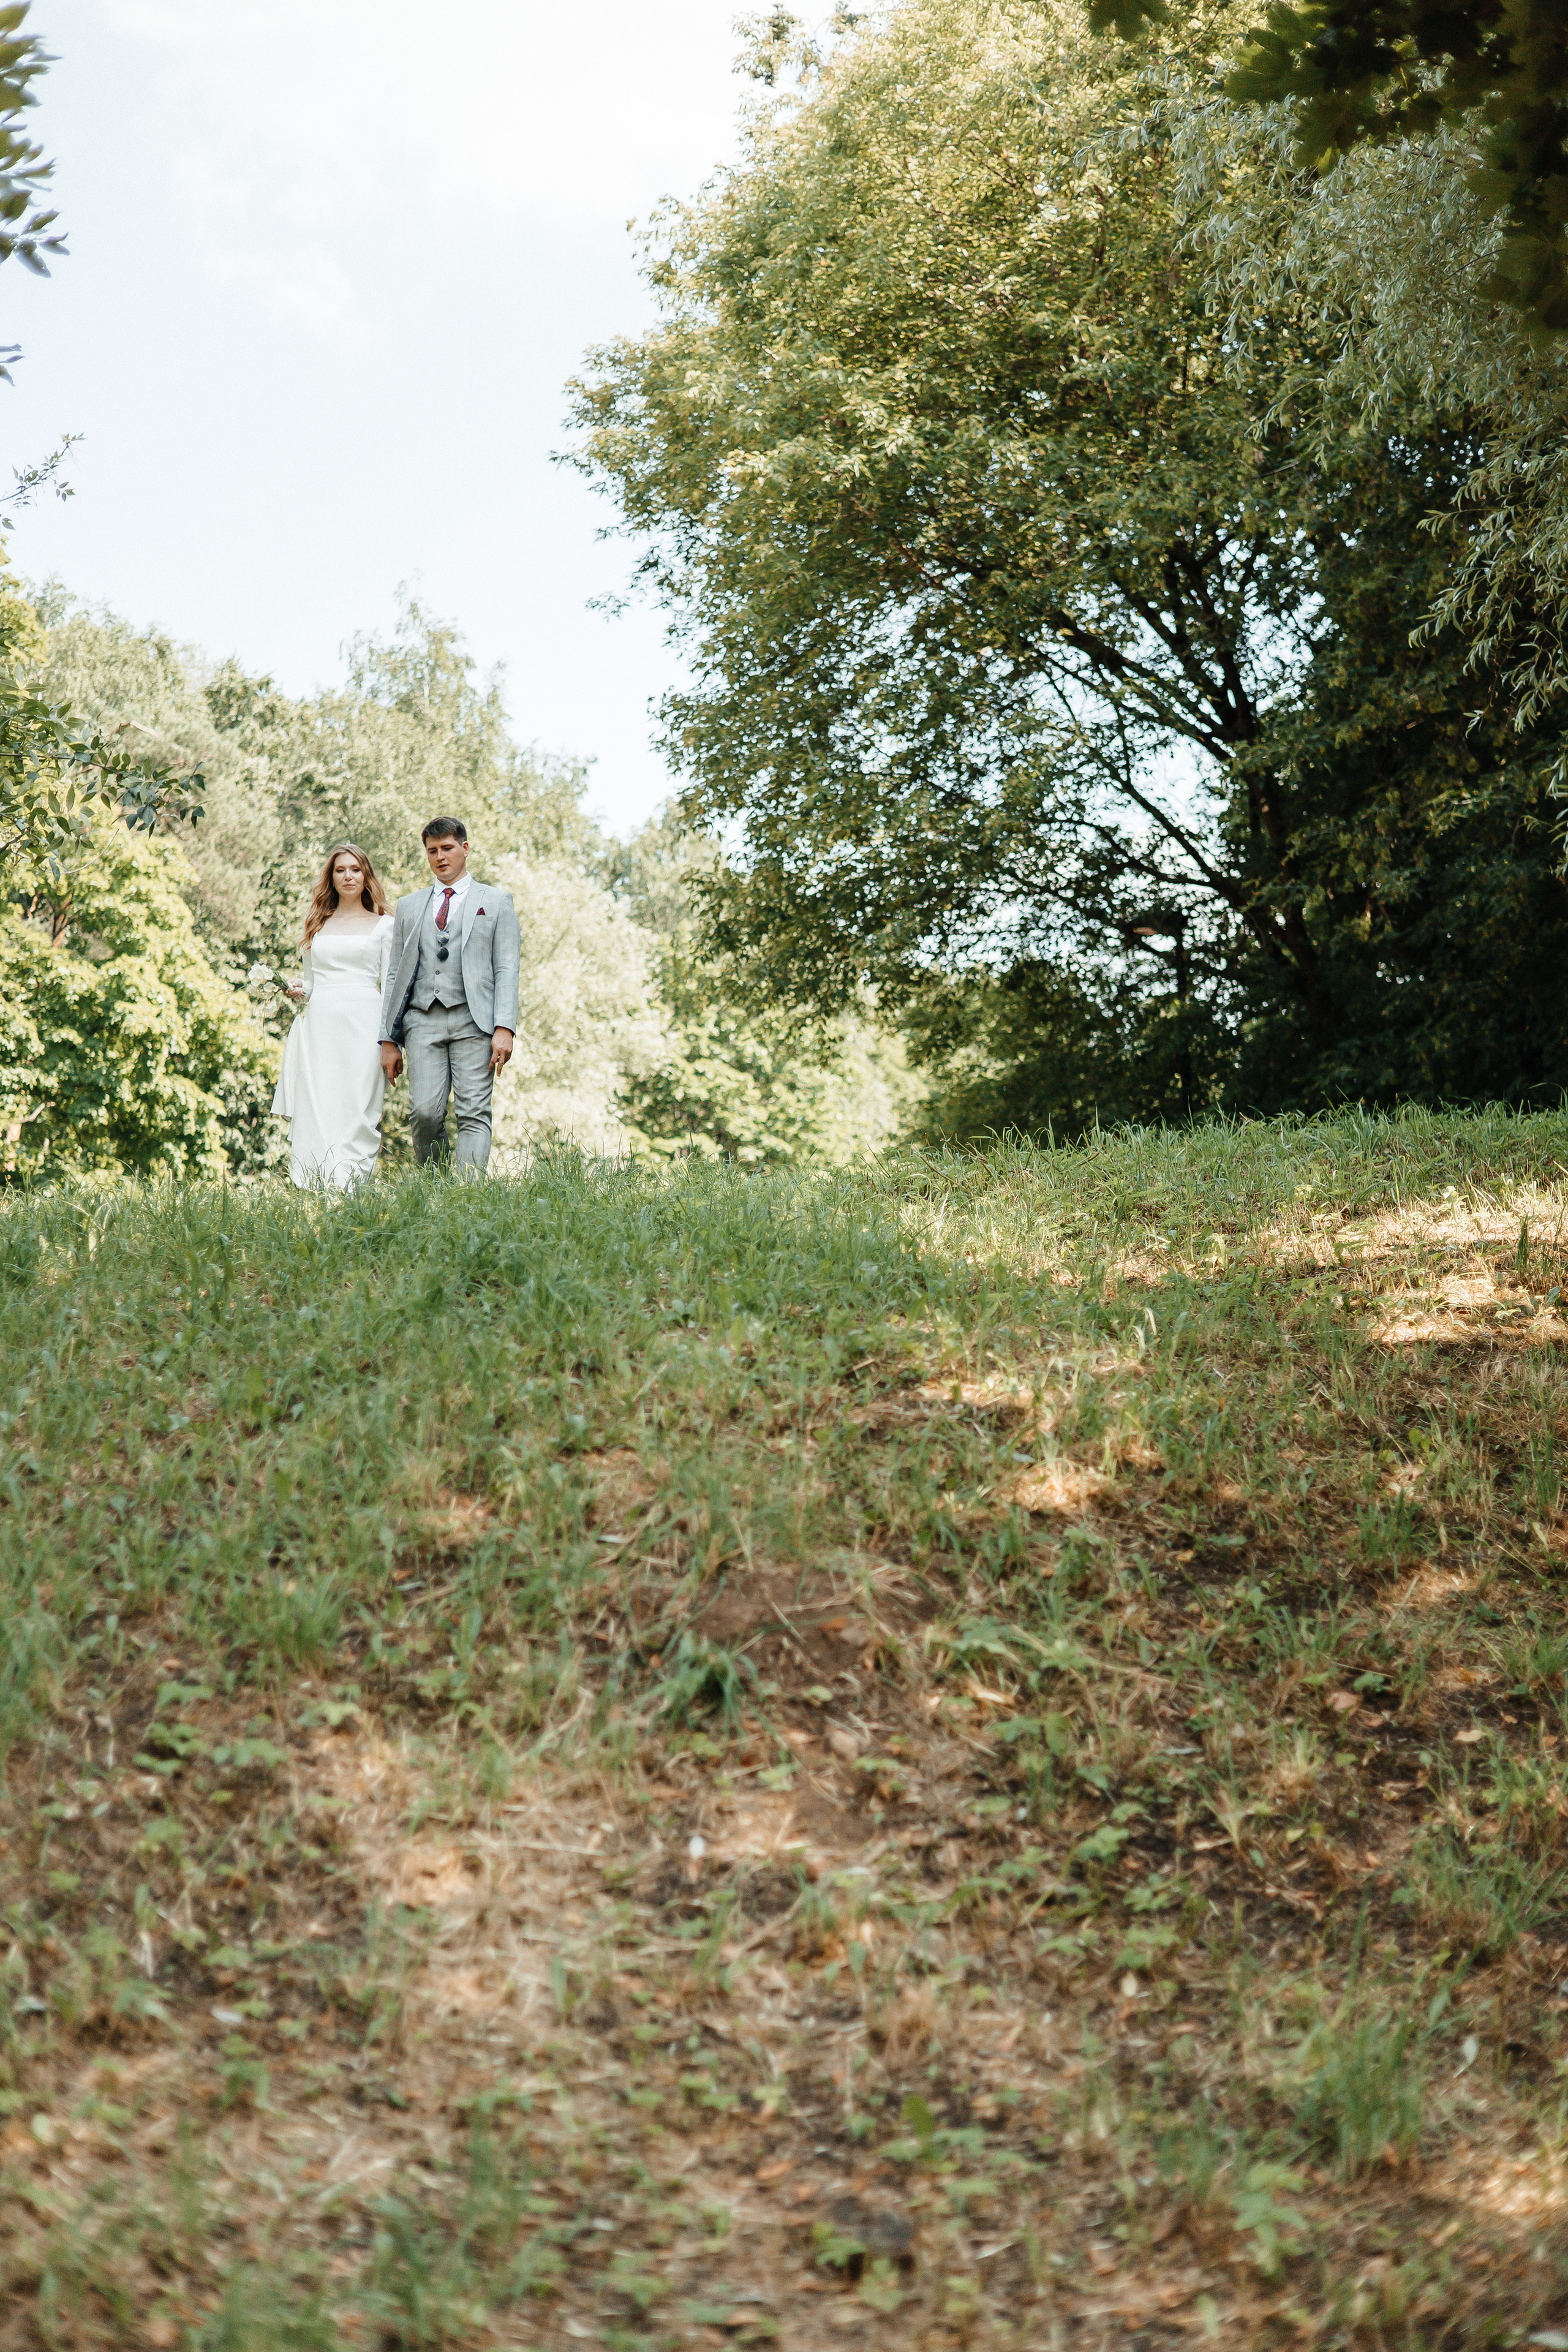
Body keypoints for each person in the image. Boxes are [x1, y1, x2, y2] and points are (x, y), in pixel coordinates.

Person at [379, 816, 521, 1173]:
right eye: (433, 851)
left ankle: (467, 1194)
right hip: (422, 1020)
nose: (440, 857)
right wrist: (388, 1038)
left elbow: (506, 968)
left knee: (474, 1112)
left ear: (465, 849)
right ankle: (438, 1186)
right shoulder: (410, 906)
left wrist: (505, 1027)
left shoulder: (496, 901)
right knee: (424, 1113)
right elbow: (395, 974)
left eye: (447, 848)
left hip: (475, 1020)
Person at [273, 844, 396, 1189]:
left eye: (355, 870)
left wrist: (391, 1040)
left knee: (358, 1110)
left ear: (366, 875)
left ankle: (350, 1189)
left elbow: (390, 987)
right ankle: (315, 1188)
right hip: (319, 1027)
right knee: (320, 1105)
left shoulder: (386, 926)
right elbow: (312, 982)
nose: (348, 876)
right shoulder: (317, 924)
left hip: (365, 1027)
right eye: (340, 870)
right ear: (331, 877)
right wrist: (299, 988)